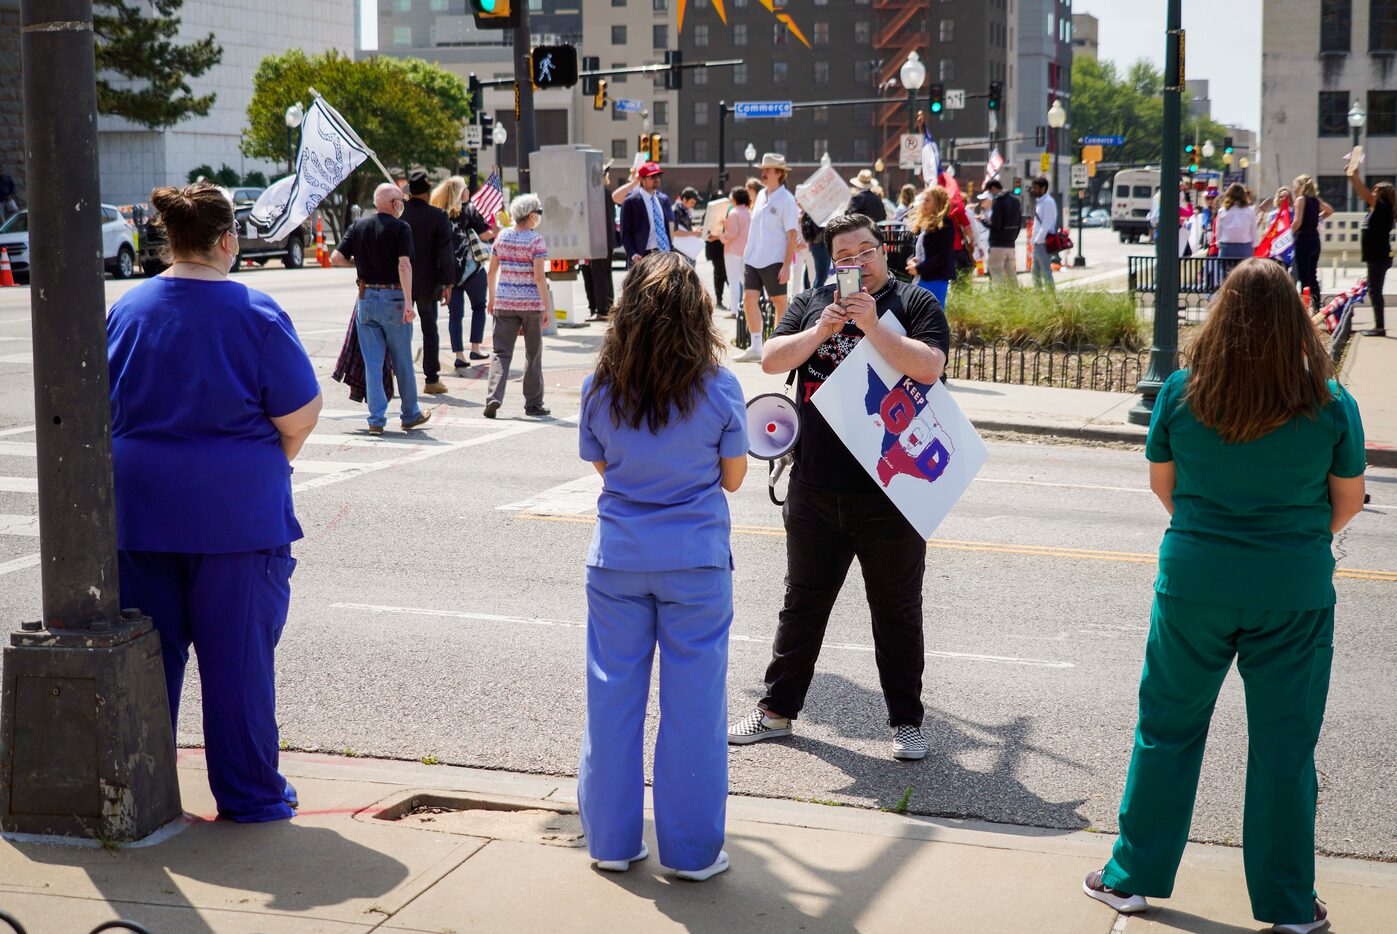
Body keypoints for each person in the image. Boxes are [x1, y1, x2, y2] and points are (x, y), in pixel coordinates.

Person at [1083, 258, 1366, 934]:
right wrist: (1293, 542)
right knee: (1283, 747)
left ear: (1221, 315)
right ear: (1296, 321)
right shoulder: (1329, 402)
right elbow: (1347, 501)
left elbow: (1164, 488)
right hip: (1291, 592)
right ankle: (1288, 906)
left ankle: (1131, 878)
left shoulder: (1181, 392)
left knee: (1166, 731)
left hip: (1193, 584)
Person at [107, 182, 323, 822]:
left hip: (140, 513)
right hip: (236, 516)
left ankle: (142, 796)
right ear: (229, 240)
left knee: (149, 667)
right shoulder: (255, 312)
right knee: (238, 670)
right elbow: (300, 414)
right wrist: (266, 463)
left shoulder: (127, 309)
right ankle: (249, 794)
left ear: (170, 238)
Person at [728, 213, 950, 760]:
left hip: (891, 492)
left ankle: (905, 723)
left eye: (865, 252)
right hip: (815, 486)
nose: (856, 265)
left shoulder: (915, 304)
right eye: (844, 257)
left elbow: (931, 367)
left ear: (884, 250)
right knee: (802, 604)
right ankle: (777, 710)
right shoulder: (811, 303)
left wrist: (874, 327)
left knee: (896, 610)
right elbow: (771, 360)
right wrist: (822, 329)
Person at [576, 251, 748, 884]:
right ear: (695, 315)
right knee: (695, 709)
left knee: (612, 700)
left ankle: (613, 841)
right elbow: (731, 480)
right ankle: (691, 852)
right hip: (695, 563)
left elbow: (604, 466)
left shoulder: (601, 385)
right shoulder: (719, 387)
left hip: (618, 558)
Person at [331, 184, 432, 434]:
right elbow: (404, 266)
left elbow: (336, 258)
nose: (403, 203)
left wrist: (360, 265)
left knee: (373, 363)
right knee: (402, 361)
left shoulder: (358, 226)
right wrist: (409, 302)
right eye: (400, 199)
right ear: (392, 202)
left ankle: (376, 419)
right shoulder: (401, 228)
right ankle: (409, 413)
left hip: (366, 299)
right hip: (394, 297)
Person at [485, 193, 551, 419]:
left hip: (504, 301)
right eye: (539, 213)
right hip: (530, 303)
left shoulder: (502, 237)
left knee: (500, 353)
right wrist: (546, 307)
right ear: (531, 216)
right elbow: (539, 277)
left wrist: (492, 298)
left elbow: (492, 271)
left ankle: (493, 398)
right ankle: (533, 403)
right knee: (533, 353)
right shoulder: (536, 240)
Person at [735, 153, 800, 363]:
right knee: (748, 299)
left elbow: (792, 235)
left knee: (779, 302)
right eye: (763, 169)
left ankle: (776, 345)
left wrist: (786, 265)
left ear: (779, 173)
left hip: (774, 260)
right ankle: (756, 346)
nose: (763, 173)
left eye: (768, 169)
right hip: (753, 258)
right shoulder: (762, 194)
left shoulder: (787, 200)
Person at [401, 169, 456, 394]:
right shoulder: (438, 216)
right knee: (429, 330)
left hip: (400, 282)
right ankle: (431, 379)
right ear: (428, 190)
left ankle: (393, 374)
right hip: (427, 283)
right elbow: (446, 253)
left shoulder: (399, 215)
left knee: (399, 331)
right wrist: (448, 282)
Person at [431, 177, 495, 370]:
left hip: (449, 273)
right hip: (471, 269)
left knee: (455, 315)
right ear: (460, 193)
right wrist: (497, 229)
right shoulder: (469, 211)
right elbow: (485, 235)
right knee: (478, 307)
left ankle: (459, 354)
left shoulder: (438, 214)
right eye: (466, 188)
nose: (468, 191)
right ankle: (475, 348)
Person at [1346, 161, 1395, 337]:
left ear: (1382, 195)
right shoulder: (1376, 210)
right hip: (1376, 256)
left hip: (1379, 256)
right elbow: (1365, 196)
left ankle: (1380, 327)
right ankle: (1379, 325)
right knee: (1374, 290)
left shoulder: (1384, 207)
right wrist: (1353, 177)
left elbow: (1365, 195)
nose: (1372, 193)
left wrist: (1355, 176)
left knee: (1375, 291)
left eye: (1376, 191)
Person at [905, 185, 969, 310]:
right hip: (920, 278)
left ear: (938, 203)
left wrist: (919, 268)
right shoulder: (921, 223)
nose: (923, 203)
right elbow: (915, 250)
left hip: (936, 278)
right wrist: (910, 261)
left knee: (933, 315)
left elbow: (943, 255)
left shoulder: (945, 223)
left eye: (927, 200)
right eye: (923, 199)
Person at [1290, 174, 1333, 312]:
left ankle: (1305, 308)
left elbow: (1297, 223)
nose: (1293, 189)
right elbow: (1329, 210)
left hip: (1303, 239)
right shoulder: (1315, 200)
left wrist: (1286, 233)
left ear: (1300, 186)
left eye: (1294, 186)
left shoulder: (1300, 200)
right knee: (1312, 275)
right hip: (1315, 239)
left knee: (1304, 277)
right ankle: (1316, 307)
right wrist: (1317, 217)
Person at [619, 162, 674, 266]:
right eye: (653, 176)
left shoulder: (661, 200)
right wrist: (633, 254)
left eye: (659, 175)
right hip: (642, 257)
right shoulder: (631, 202)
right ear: (641, 179)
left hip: (664, 256)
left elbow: (666, 229)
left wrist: (670, 250)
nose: (657, 179)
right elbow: (625, 233)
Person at [584, 166, 620, 321]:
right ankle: (607, 308)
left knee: (599, 276)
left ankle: (602, 310)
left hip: (598, 241)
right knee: (604, 275)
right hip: (606, 241)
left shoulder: (597, 194)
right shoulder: (606, 193)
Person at [719, 187, 751, 322]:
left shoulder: (733, 212)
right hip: (745, 250)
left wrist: (721, 235)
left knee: (733, 281)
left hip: (732, 251)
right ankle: (748, 306)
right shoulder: (748, 212)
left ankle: (734, 310)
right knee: (745, 281)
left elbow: (731, 233)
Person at [984, 179, 1022, 287]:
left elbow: (995, 226)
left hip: (997, 244)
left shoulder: (998, 201)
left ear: (993, 189)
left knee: (996, 272)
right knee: (1010, 273)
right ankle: (1015, 297)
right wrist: (1013, 238)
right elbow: (1019, 223)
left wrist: (983, 221)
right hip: (1010, 244)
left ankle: (1000, 298)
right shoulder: (1016, 200)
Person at [1029, 176, 1057, 291]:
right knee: (1035, 273)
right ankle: (1040, 298)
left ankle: (1052, 298)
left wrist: (1037, 240)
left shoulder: (1048, 202)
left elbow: (1046, 224)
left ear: (1043, 188)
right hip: (1038, 243)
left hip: (1043, 243)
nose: (1033, 190)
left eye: (1035, 188)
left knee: (1046, 272)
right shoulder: (1040, 202)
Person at [672, 185, 704, 267]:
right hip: (679, 253)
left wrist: (695, 230)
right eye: (692, 202)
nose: (693, 205)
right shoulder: (676, 211)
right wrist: (694, 233)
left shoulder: (687, 210)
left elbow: (687, 228)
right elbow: (675, 232)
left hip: (688, 251)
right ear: (684, 199)